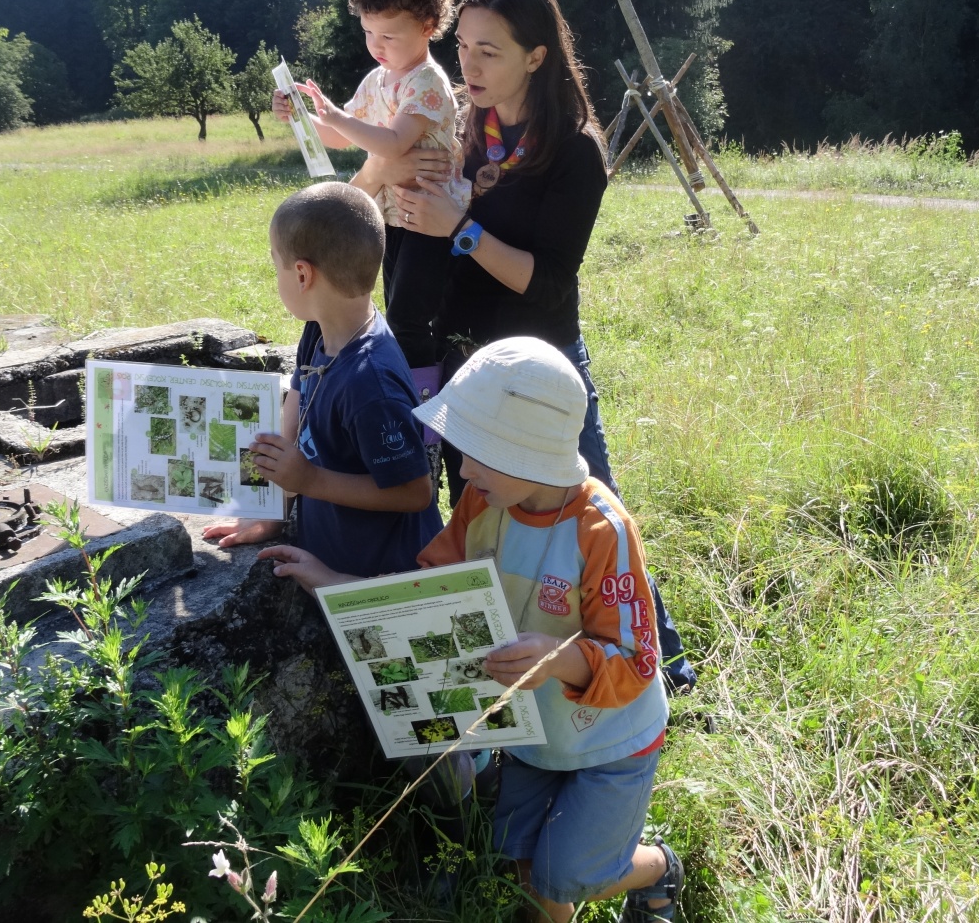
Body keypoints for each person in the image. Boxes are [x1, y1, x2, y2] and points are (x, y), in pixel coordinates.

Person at [261, 338, 684, 923]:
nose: (461, 470)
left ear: (529, 454)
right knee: (523, 863)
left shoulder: (601, 530)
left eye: (476, 454)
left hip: (609, 740)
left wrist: (559, 659)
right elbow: (433, 595)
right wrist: (334, 580)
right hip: (536, 737)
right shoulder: (482, 505)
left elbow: (638, 661)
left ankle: (659, 866)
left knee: (575, 874)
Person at [367, 0, 697, 693]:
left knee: (594, 516)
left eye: (491, 52)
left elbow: (547, 279)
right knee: (478, 521)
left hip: (544, 369)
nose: (470, 66)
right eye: (465, 47)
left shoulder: (574, 151)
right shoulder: (465, 126)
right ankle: (499, 665)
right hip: (466, 366)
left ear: (537, 56)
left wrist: (461, 226)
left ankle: (664, 667)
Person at [201, 180, 441, 578]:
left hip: (380, 579)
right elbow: (297, 397)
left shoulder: (370, 384)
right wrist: (273, 509)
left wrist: (308, 479)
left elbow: (414, 492)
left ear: (301, 275)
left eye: (274, 263)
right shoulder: (321, 327)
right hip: (332, 555)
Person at [272, 0, 465, 395]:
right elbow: (343, 136)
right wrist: (302, 118)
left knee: (408, 317)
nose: (376, 45)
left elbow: (393, 143)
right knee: (393, 308)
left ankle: (422, 412)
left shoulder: (427, 83)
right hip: (390, 216)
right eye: (368, 32)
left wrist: (336, 114)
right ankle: (405, 393)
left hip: (429, 221)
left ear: (428, 25)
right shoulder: (379, 78)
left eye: (389, 35)